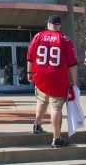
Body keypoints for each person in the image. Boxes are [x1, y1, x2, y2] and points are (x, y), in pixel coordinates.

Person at [27, 15, 77, 148]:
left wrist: (29, 72)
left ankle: (37, 125)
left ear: (48, 24)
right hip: (57, 77)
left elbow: (30, 57)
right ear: (59, 25)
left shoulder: (38, 36)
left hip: (40, 75)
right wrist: (74, 80)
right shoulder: (65, 39)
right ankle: (56, 138)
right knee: (56, 107)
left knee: (42, 100)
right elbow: (72, 63)